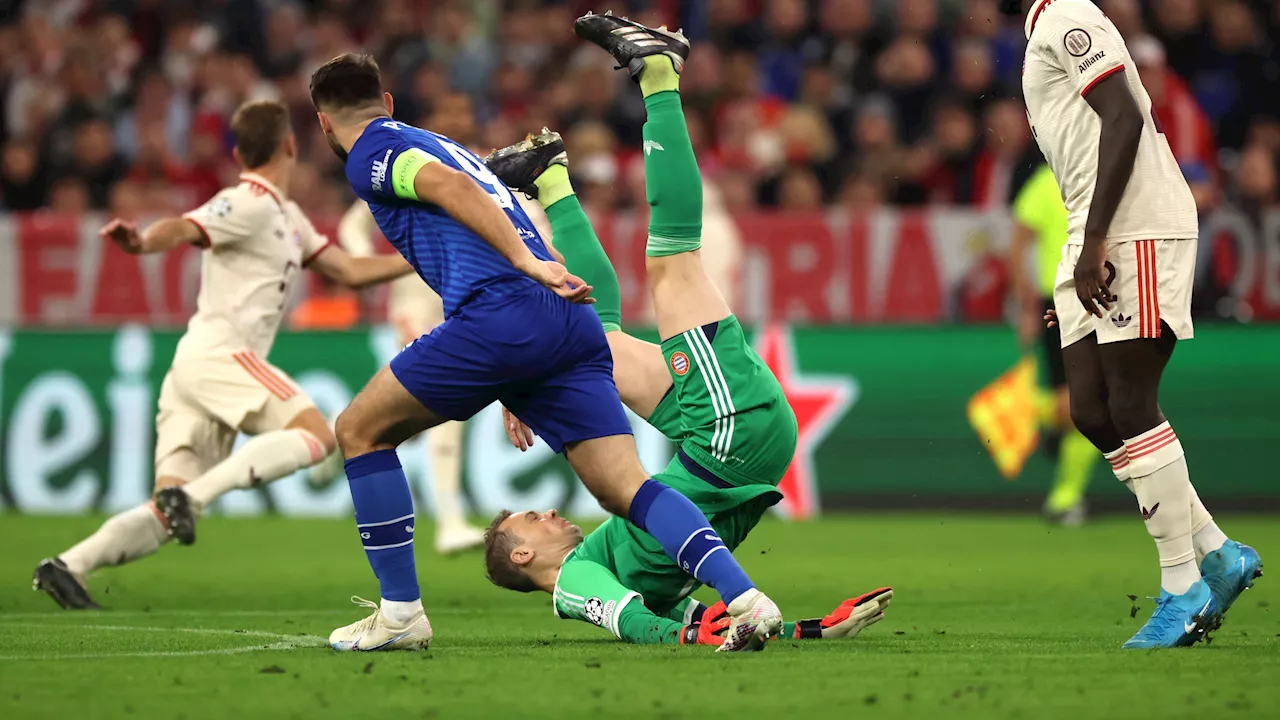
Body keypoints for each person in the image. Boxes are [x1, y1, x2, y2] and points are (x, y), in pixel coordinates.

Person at [308, 43, 783, 653]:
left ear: (324, 124)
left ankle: (400, 613)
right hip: (558, 324)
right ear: (390, 101)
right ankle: (746, 600)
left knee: (359, 431)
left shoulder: (372, 151)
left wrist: (522, 268)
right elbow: (490, 206)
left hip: (502, 316)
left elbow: (450, 190)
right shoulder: (436, 139)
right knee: (628, 490)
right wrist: (521, 356)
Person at [478, 53, 891, 641]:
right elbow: (639, 624)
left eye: (535, 510)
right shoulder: (577, 584)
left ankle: (550, 180)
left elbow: (690, 619)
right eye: (532, 520)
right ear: (523, 557)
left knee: (599, 340)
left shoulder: (613, 559)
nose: (548, 512)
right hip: (728, 437)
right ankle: (660, 77)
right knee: (672, 261)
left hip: (728, 447)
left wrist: (811, 629)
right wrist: (756, 620)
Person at [32, 100, 417, 609]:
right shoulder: (248, 201)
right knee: (318, 435)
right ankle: (190, 498)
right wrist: (145, 242)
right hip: (222, 356)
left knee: (165, 514)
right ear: (289, 146)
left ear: (238, 151)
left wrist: (417, 260)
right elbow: (186, 226)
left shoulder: (287, 215)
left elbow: (347, 270)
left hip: (195, 368)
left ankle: (66, 567)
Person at [1002, 0, 1262, 648]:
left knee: (1130, 400)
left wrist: (1094, 242)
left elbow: (1122, 114)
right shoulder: (1045, 26)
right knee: (1090, 409)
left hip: (1130, 223)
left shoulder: (1067, 13)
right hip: (1093, 226)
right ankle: (1215, 549)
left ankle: (1182, 584)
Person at [331, 200, 487, 555]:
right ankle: (450, 521)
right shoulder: (398, 169)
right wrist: (364, 255)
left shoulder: (464, 171)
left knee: (393, 416)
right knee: (443, 402)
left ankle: (328, 438)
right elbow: (353, 223)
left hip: (453, 302)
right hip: (413, 307)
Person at [1009, 164, 1100, 525]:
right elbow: (1018, 244)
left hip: (1104, 304)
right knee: (1079, 406)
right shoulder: (1045, 183)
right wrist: (1027, 305)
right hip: (1060, 307)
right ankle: (1023, 413)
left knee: (1095, 405)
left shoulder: (1107, 174)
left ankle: (1066, 497)